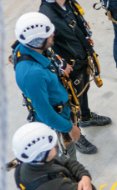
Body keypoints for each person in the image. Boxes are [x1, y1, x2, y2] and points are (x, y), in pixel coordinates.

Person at [37, 0, 110, 156]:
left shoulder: (66, 1)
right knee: (71, 103)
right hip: (68, 69)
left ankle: (86, 117)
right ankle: (76, 136)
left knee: (83, 91)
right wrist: (60, 65)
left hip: (81, 60)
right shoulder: (46, 17)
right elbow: (43, 49)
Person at [11, 12, 81, 162]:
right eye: (48, 35)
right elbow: (46, 113)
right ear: (37, 42)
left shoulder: (25, 49)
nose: (53, 34)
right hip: (56, 122)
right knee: (68, 160)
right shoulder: (33, 74)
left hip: (60, 112)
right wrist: (69, 128)